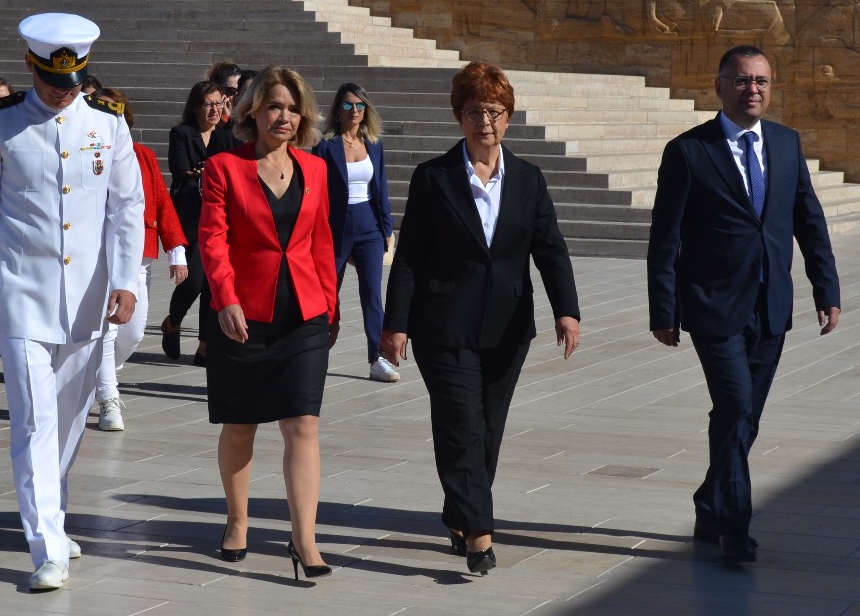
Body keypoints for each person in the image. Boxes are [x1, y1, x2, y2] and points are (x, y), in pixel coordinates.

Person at [0, 13, 142, 591]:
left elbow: (125, 209)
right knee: (34, 419)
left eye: (74, 82)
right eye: (54, 83)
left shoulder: (107, 126)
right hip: (21, 295)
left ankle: (52, 516)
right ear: (32, 69)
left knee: (68, 420)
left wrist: (128, 279)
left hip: (87, 300)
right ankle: (46, 547)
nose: (65, 93)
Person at [381, 61, 581, 576]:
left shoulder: (530, 181)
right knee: (460, 426)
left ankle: (459, 510)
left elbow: (551, 250)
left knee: (486, 430)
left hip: (507, 329)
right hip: (442, 325)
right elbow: (409, 259)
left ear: (508, 117)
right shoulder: (433, 178)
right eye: (474, 111)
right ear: (459, 116)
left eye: (493, 111)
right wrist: (395, 323)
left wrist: (567, 311)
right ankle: (479, 535)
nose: (484, 121)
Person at [646, 45, 842, 566]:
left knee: (745, 416)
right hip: (713, 306)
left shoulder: (786, 143)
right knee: (734, 406)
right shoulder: (689, 151)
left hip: (771, 305)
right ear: (720, 86)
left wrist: (827, 289)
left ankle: (710, 502)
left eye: (761, 80)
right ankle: (735, 527)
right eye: (742, 80)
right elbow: (665, 239)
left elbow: (809, 221)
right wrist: (663, 310)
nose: (752, 89)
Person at [201, 66, 340, 579]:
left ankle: (304, 540)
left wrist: (330, 303)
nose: (285, 116)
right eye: (275, 106)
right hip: (242, 314)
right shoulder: (224, 168)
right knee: (240, 425)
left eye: (293, 107)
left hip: (303, 313)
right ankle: (237, 522)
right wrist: (225, 298)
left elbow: (322, 238)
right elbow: (213, 240)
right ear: (253, 112)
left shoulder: (317, 169)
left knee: (302, 423)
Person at [91, 87, 188, 431]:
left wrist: (177, 252)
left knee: (131, 332)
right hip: (96, 257)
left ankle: (95, 377)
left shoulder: (142, 155)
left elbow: (162, 203)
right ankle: (108, 396)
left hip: (138, 257)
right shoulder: (86, 151)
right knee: (106, 331)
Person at [314, 83, 396, 382]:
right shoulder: (325, 146)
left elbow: (381, 187)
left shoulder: (373, 143)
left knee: (373, 294)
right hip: (335, 227)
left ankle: (378, 358)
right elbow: (317, 192)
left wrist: (386, 226)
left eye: (360, 105)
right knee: (327, 295)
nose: (354, 111)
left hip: (369, 227)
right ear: (339, 109)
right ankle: (314, 355)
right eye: (348, 105)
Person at [160, 79, 235, 365]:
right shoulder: (181, 133)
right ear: (195, 107)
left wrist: (204, 170)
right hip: (191, 216)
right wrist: (208, 171)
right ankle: (173, 322)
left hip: (219, 217)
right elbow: (181, 171)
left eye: (219, 103)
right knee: (194, 282)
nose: (215, 109)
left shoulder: (227, 134)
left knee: (212, 283)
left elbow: (231, 167)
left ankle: (205, 346)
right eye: (209, 104)